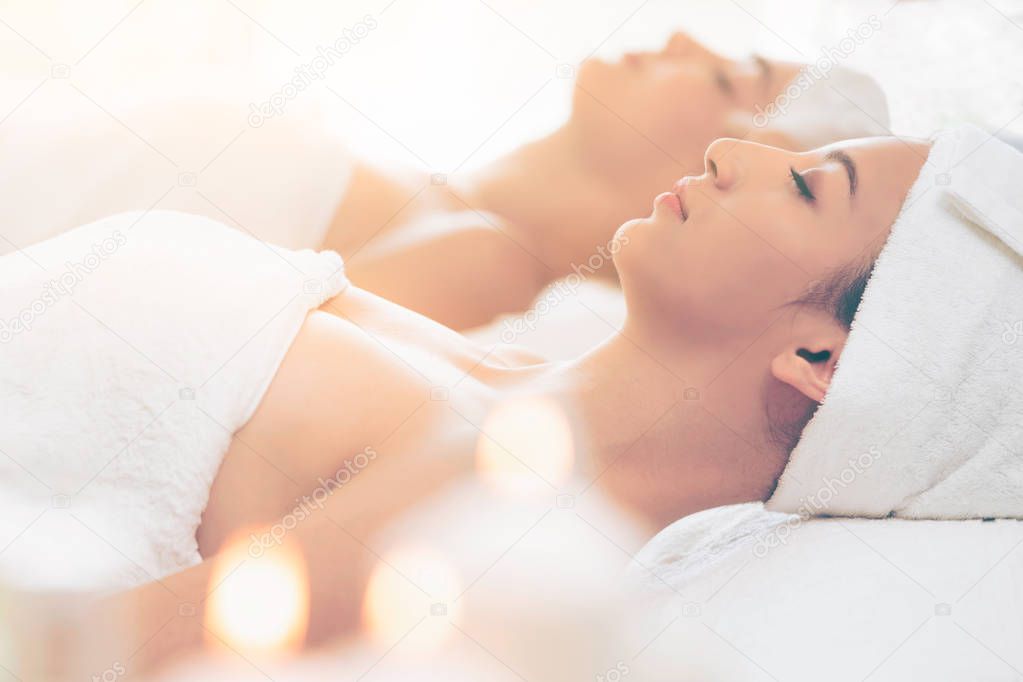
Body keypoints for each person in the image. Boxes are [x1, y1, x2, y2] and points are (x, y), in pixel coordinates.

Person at [1, 131, 933, 676]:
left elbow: (74, 652)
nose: (735, 148)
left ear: (819, 357)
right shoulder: (518, 370)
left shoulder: (497, 506)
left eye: (808, 186)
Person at [0, 34, 889, 329]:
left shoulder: (480, 262)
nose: (689, 37)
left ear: (719, 168)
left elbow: (190, 363)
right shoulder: (435, 200)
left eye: (732, 78)